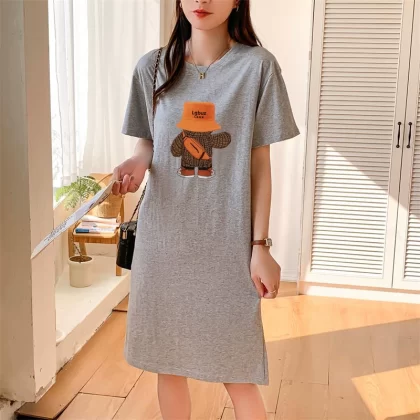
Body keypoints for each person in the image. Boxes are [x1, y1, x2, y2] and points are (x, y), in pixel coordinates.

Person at [112, 0, 299, 418]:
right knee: (167, 362)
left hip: (226, 244)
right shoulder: (152, 67)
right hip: (164, 244)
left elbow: (260, 164)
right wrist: (138, 161)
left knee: (238, 367)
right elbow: (148, 141)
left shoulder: (257, 67)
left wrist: (261, 246)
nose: (202, 1)